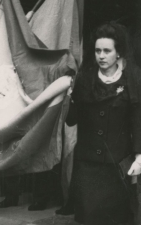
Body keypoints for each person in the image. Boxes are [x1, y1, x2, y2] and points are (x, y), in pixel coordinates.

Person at [67, 22, 141, 225]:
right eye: (98, 50)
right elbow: (71, 119)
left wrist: (139, 156)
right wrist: (68, 98)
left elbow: (137, 120)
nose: (101, 55)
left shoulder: (132, 81)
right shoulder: (84, 80)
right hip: (88, 166)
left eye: (107, 51)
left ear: (118, 53)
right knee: (89, 218)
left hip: (117, 165)